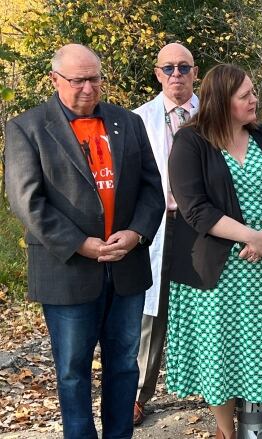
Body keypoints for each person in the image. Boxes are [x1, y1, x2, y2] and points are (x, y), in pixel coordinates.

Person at [4, 44, 164, 438]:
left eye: (95, 79)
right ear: (55, 80)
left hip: (126, 267)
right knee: (73, 371)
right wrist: (81, 244)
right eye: (78, 80)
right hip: (68, 270)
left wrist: (138, 233)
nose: (89, 88)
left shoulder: (127, 122)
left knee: (125, 365)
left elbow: (151, 189)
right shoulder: (28, 127)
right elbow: (27, 201)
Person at [166, 64, 262, 439]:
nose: (255, 100)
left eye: (253, 92)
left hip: (259, 265)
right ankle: (227, 431)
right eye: (245, 96)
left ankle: (256, 428)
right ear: (221, 102)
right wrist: (250, 237)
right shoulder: (191, 142)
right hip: (214, 272)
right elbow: (195, 208)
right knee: (220, 354)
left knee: (255, 349)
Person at [131, 42, 199, 426]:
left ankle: (219, 391)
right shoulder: (139, 119)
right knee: (150, 313)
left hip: (204, 222)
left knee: (210, 303)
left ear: (195, 72)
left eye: (184, 68)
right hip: (159, 222)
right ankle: (139, 393)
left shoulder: (214, 113)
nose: (176, 75)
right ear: (158, 74)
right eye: (169, 68)